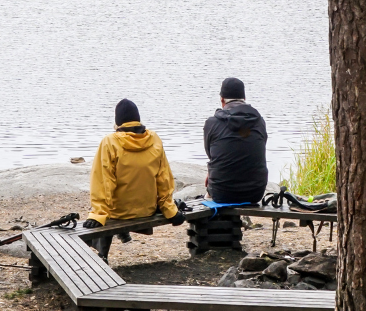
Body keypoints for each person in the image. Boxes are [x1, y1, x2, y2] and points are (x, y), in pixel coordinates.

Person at [82, 99, 186, 258]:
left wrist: (98, 214)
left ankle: (101, 254)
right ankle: (122, 234)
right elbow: (164, 179)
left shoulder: (109, 142)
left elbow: (103, 183)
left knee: (104, 213)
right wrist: (170, 210)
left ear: (118, 122)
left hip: (120, 213)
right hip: (147, 209)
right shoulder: (154, 139)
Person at [203, 77, 268, 204]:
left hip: (221, 192)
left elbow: (211, 154)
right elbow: (258, 148)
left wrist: (211, 173)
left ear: (222, 100)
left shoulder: (212, 123)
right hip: (255, 193)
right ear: (244, 98)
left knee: (208, 197)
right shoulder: (259, 121)